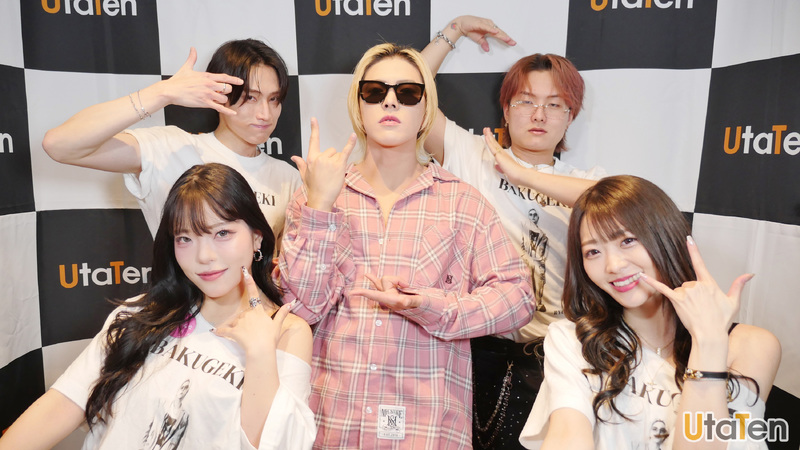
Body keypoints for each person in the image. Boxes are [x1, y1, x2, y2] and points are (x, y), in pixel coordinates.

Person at [278, 43, 535, 449]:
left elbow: (518, 299)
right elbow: (302, 307)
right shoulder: (317, 196)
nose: (390, 101)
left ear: (425, 109)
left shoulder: (462, 202)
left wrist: (429, 306)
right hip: (332, 426)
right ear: (358, 104)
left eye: (408, 92)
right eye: (375, 91)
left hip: (426, 430)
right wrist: (320, 207)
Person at [0, 163, 316, 450]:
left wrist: (260, 354)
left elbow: (277, 444)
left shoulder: (286, 332)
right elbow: (61, 406)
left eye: (222, 233)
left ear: (257, 237)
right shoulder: (140, 314)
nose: (204, 256)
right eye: (185, 238)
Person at [421, 16, 606, 449]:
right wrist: (454, 30)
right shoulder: (472, 155)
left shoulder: (586, 181)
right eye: (525, 101)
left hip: (555, 353)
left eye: (555, 104)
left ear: (571, 117)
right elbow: (411, 88)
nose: (539, 114)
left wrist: (522, 174)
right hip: (474, 343)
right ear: (505, 109)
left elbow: (623, 204)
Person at [519, 175, 781, 450]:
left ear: (665, 235)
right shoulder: (573, 340)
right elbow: (566, 437)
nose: (613, 266)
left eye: (627, 241)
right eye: (593, 251)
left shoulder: (752, 345)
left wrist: (708, 339)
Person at [42, 39, 301, 247]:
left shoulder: (288, 178)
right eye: (251, 98)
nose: (265, 114)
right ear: (219, 93)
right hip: (181, 299)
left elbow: (284, 271)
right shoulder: (171, 148)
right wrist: (161, 93)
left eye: (274, 99)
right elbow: (59, 145)